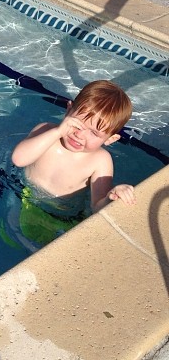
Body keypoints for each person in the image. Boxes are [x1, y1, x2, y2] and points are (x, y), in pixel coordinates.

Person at [8, 80, 136, 248]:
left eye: (94, 133)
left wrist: (112, 196)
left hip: (67, 215)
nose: (79, 135)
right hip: (26, 198)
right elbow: (19, 159)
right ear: (68, 110)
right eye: (77, 123)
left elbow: (97, 206)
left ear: (110, 139)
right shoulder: (46, 131)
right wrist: (57, 131)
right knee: (15, 238)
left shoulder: (100, 160)